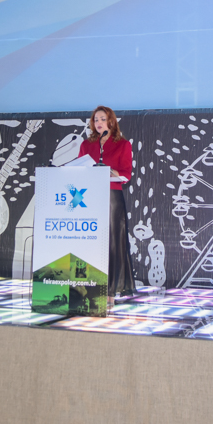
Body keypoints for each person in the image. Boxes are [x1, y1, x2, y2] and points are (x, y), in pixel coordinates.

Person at [78, 106, 136, 297]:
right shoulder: (86, 145)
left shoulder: (123, 145)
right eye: (96, 120)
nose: (98, 123)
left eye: (102, 119)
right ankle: (88, 284)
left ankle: (112, 286)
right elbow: (80, 170)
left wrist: (110, 171)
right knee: (90, 241)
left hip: (111, 197)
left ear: (111, 121)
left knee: (112, 241)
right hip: (90, 196)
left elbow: (126, 174)